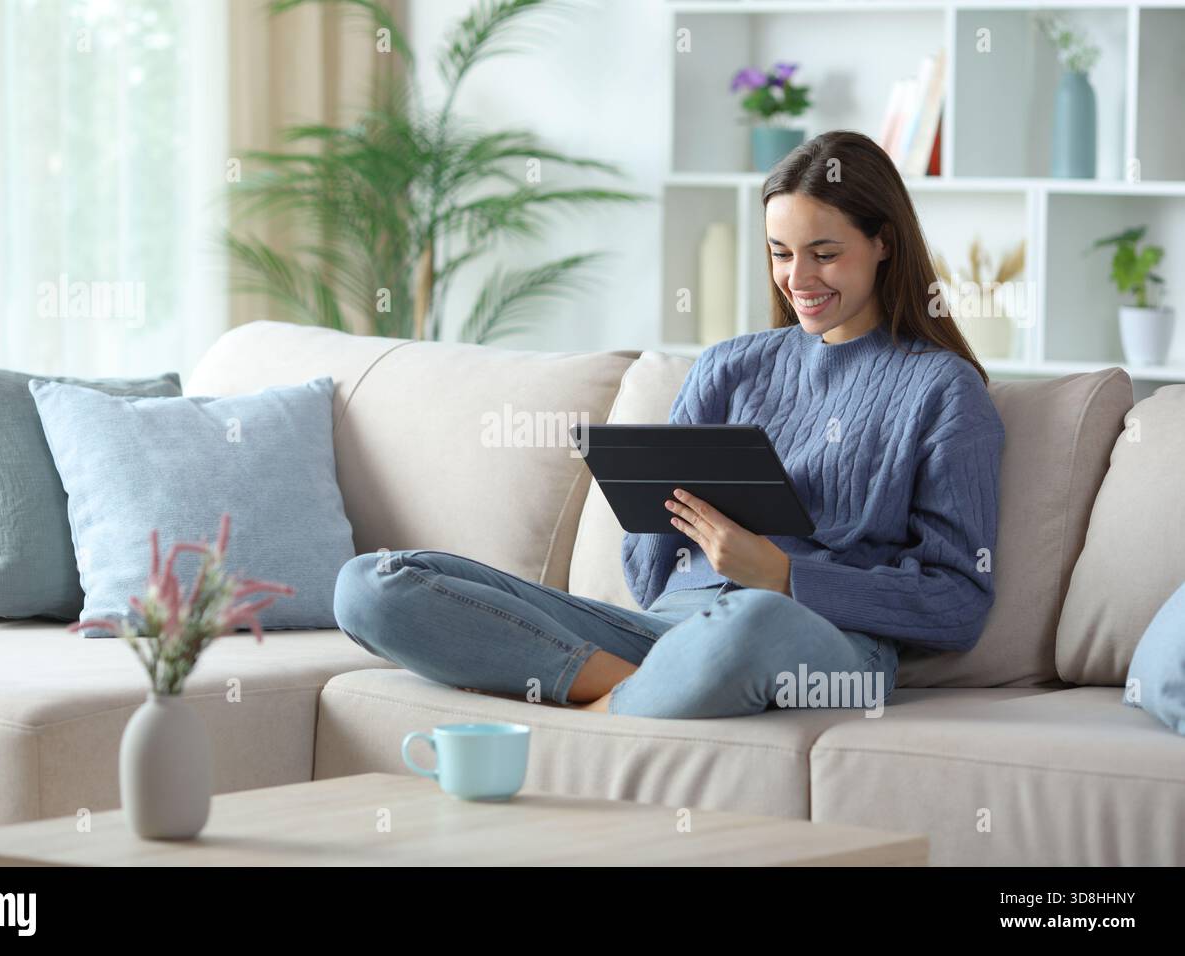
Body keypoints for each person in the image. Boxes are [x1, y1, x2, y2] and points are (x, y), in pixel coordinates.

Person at [332, 129, 1005, 720]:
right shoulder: (728, 367)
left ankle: (598, 697)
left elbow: (958, 601)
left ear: (884, 242)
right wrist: (665, 504)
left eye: (823, 254)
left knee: (756, 619)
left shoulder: (943, 390)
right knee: (372, 585)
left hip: (812, 639)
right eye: (779, 252)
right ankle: (632, 690)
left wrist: (781, 575)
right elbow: (648, 576)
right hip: (669, 630)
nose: (797, 277)